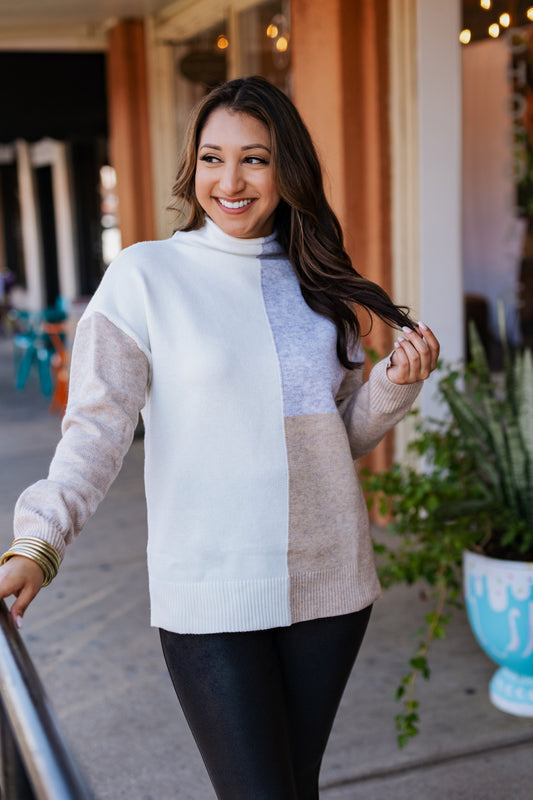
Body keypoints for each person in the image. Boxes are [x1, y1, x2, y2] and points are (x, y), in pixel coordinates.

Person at [0, 76, 439, 799]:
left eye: (254, 159)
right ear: (192, 166)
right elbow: (97, 429)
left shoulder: (320, 287)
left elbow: (335, 438)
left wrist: (393, 384)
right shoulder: (146, 275)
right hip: (208, 586)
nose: (229, 181)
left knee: (295, 785)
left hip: (328, 584)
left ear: (286, 168)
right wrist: (39, 539)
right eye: (212, 158)